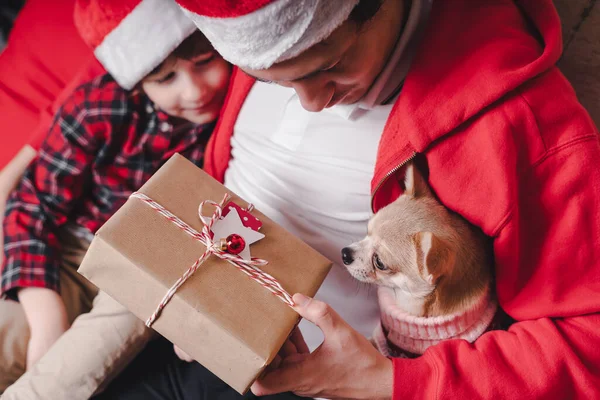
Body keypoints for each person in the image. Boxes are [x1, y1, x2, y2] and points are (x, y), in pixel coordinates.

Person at [103, 0, 600, 398]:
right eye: (272, 81)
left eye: (331, 66)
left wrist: (387, 382)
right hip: (214, 332)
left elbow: (588, 345)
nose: (312, 103)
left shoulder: (521, 123)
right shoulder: (251, 42)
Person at [0, 0, 231, 398]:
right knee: (13, 333)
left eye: (206, 62)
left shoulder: (231, 119)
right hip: (70, 249)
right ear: (139, 80)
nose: (194, 91)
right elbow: (33, 205)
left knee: (113, 326)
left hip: (148, 267)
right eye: (166, 78)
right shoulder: (101, 105)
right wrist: (47, 319)